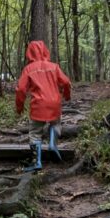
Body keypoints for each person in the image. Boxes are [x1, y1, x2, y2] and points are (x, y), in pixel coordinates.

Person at [15, 40, 71, 170]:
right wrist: (67, 95)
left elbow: (20, 89)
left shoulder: (28, 69)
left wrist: (19, 107)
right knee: (55, 124)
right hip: (54, 103)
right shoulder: (54, 66)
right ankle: (52, 144)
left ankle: (37, 162)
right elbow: (66, 82)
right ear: (45, 51)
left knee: (35, 132)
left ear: (29, 53)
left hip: (38, 105)